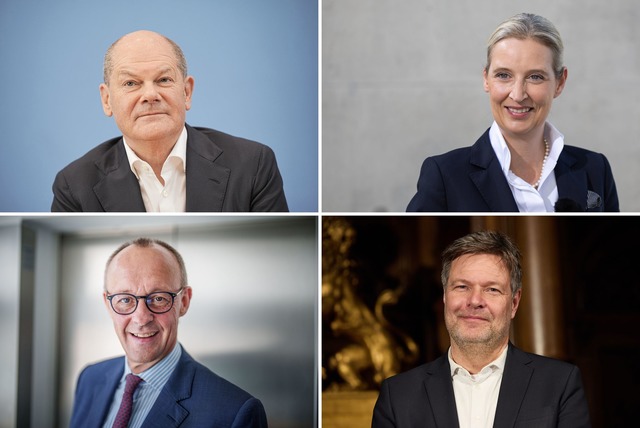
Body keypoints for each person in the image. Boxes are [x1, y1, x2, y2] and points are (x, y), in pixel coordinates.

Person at [372, 231, 591, 427]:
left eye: (492, 289)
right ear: (445, 297)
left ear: (514, 303)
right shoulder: (398, 396)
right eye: (462, 287)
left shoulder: (560, 384)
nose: (475, 300)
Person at [52, 30, 288, 212]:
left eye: (164, 79)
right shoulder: (74, 185)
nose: (150, 95)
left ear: (186, 92)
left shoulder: (253, 165)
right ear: (107, 100)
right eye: (131, 84)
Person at [406, 13, 618, 212]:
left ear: (560, 83)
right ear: (486, 79)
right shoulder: (444, 175)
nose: (518, 95)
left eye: (535, 77)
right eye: (504, 75)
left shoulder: (595, 168)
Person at [70, 237, 268, 427]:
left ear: (184, 302)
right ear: (107, 304)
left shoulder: (234, 413)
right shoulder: (90, 379)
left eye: (158, 298)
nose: (141, 318)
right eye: (125, 299)